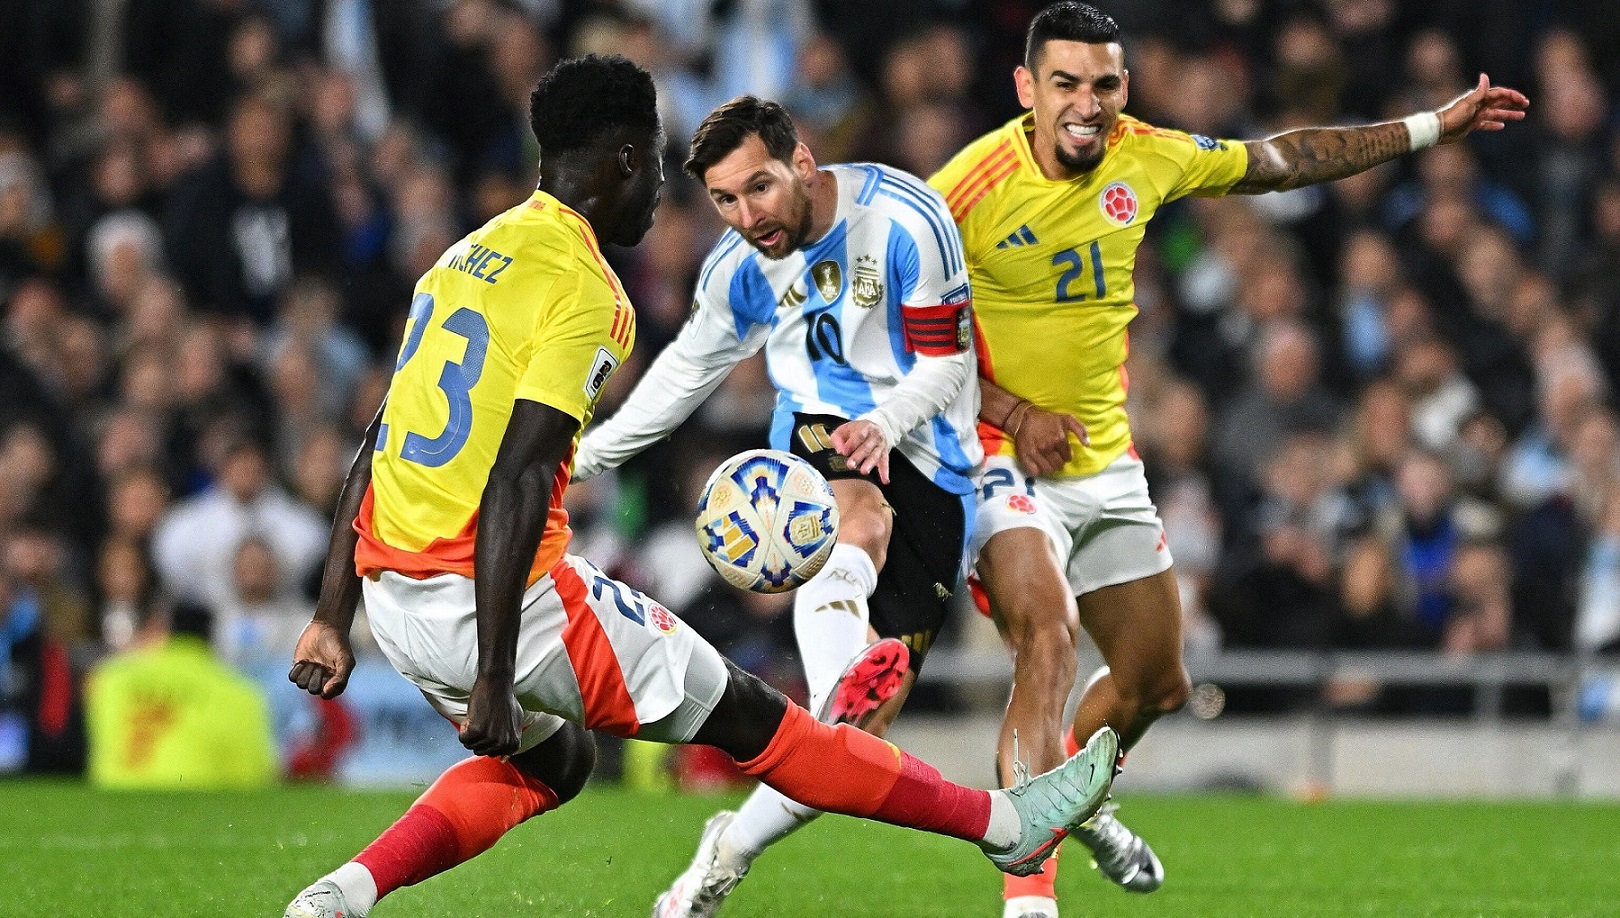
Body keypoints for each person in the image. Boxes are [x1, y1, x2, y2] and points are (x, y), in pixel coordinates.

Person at [281, 56, 1119, 918]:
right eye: (656, 162)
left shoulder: (462, 258)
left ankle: (343, 894)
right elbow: (521, 478)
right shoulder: (586, 288)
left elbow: (375, 446)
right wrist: (495, 671)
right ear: (625, 162)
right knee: (766, 725)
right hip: (504, 610)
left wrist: (328, 616)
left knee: (556, 762)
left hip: (394, 598)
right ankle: (1002, 823)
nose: (665, 200)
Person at [925, 5, 1529, 917]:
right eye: (1065, 84)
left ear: (1123, 87)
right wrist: (1009, 409)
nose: (1088, 104)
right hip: (993, 455)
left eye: (1104, 84)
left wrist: (1429, 127)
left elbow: (1287, 158)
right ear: (1025, 89)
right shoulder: (961, 193)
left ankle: (1075, 799)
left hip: (1102, 459)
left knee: (1157, 681)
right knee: (1046, 643)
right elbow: (903, 342)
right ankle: (1030, 898)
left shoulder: (1146, 151)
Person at [570, 94, 984, 918]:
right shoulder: (737, 270)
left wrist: (887, 421)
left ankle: (725, 850)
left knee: (850, 752)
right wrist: (588, 454)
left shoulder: (906, 219)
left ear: (803, 161)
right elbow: (687, 371)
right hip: (820, 432)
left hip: (932, 447)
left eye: (758, 188)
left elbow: (946, 365)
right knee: (855, 513)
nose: (746, 215)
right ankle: (838, 682)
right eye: (725, 200)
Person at [84, 600, 277, 789]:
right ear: (211, 636)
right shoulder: (243, 694)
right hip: (200, 805)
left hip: (115, 799)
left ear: (165, 631)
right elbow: (254, 777)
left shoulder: (110, 678)